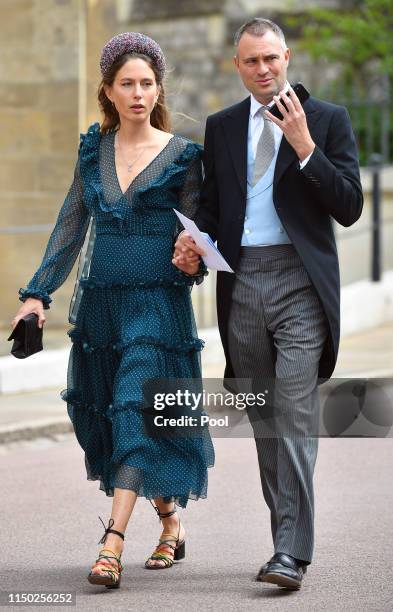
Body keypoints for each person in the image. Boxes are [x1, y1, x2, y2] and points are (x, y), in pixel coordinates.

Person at [12, 32, 214, 588]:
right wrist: (37, 294)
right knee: (104, 417)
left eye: (147, 83)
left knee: (133, 408)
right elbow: (69, 228)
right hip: (101, 312)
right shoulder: (93, 152)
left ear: (158, 89)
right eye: (127, 83)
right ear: (107, 89)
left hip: (157, 308)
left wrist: (191, 259)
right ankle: (169, 520)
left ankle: (111, 542)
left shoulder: (183, 157)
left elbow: (195, 244)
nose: (138, 93)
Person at [174, 18, 363, 589]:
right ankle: (285, 537)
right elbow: (213, 208)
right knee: (266, 421)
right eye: (252, 61)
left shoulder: (327, 120)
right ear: (238, 66)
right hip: (242, 284)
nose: (263, 69)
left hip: (301, 283)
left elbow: (350, 205)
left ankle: (290, 552)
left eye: (272, 59)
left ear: (287, 58)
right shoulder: (223, 126)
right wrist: (193, 242)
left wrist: (305, 147)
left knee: (296, 413)